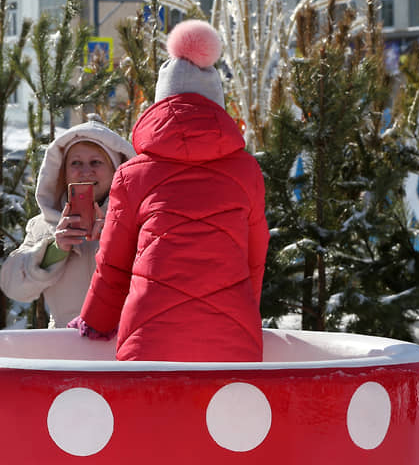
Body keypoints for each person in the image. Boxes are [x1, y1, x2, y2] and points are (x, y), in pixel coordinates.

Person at [70, 20, 270, 362]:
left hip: (149, 342)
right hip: (233, 340)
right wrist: (241, 312)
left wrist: (95, 321)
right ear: (218, 107)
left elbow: (114, 263)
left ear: (161, 105)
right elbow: (255, 259)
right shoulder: (247, 171)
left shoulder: (133, 175)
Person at [0, 117, 135, 328]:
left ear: (116, 170)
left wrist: (114, 238)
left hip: (120, 346)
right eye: (76, 163)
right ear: (63, 172)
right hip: (66, 347)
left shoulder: (136, 221)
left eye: (96, 162)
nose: (85, 171)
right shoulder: (44, 225)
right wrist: (55, 250)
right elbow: (13, 287)